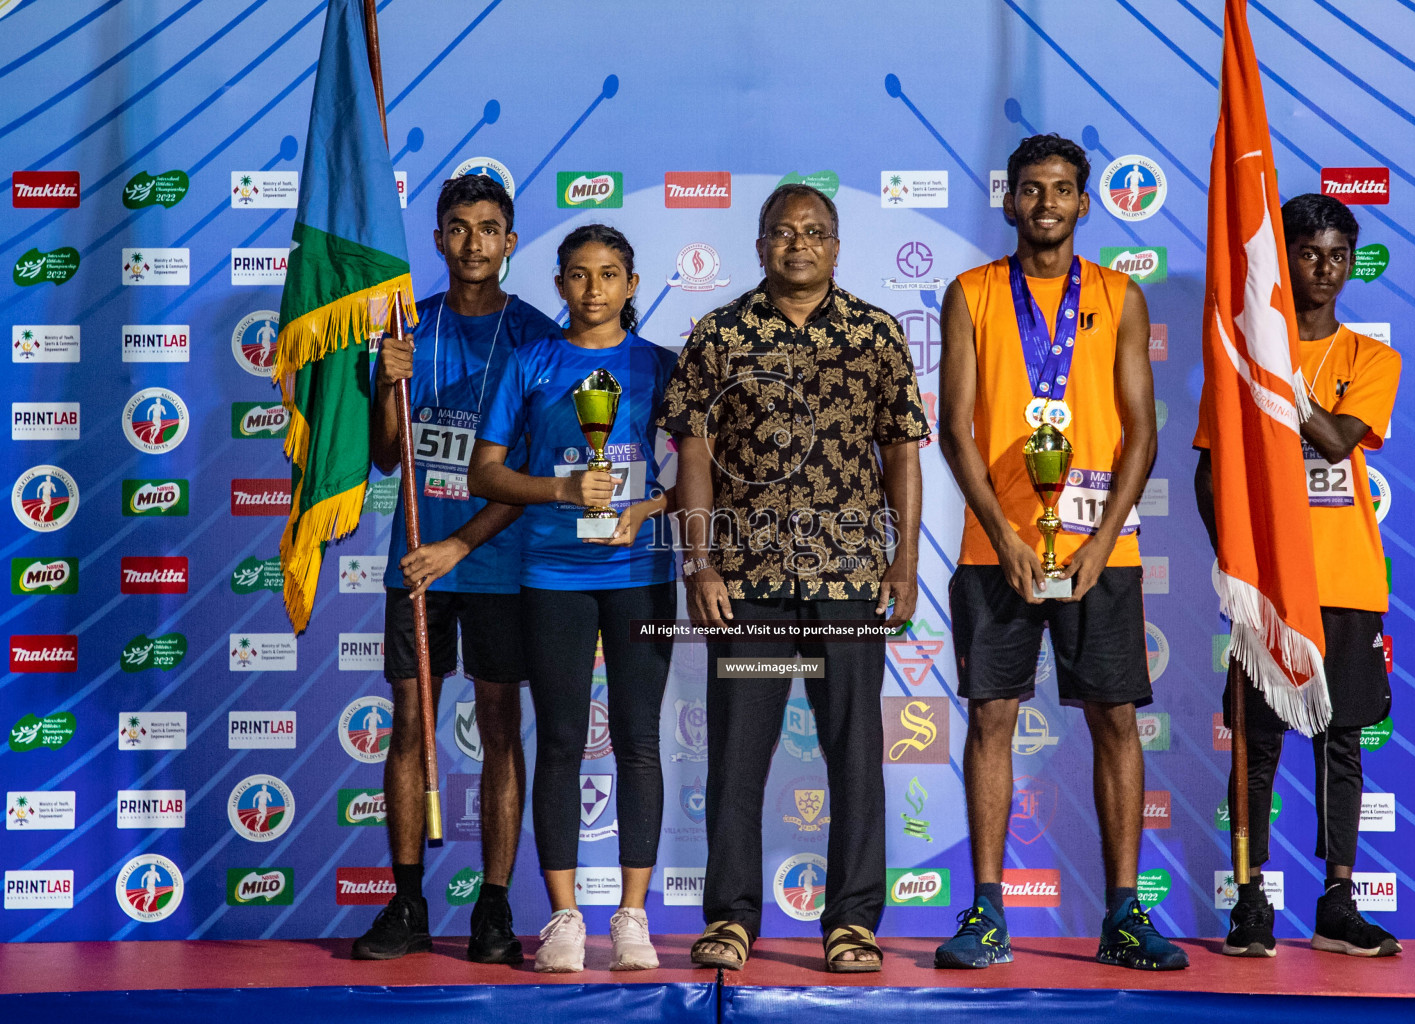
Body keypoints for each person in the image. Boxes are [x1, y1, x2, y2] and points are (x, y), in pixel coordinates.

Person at [658, 183, 929, 973]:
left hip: (848, 580)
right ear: (760, 245)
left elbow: (902, 451)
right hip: (749, 582)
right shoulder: (720, 333)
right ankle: (732, 918)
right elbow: (695, 455)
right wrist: (699, 561)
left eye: (814, 232)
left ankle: (851, 923)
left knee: (854, 753)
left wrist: (905, 560)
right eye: (782, 232)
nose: (798, 244)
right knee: (739, 754)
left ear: (837, 247)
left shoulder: (874, 334)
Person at [936, 134, 1184, 971]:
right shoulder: (970, 293)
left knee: (1116, 721)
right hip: (991, 546)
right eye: (1033, 189)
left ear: (1085, 202)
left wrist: (1103, 541)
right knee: (991, 719)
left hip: (1099, 551)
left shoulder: (1121, 295)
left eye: (1064, 189)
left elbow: (1143, 434)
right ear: (1011, 202)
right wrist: (1006, 537)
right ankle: (986, 913)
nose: (1047, 203)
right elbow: (956, 429)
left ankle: (1123, 913)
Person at [352, 173, 560, 964]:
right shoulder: (408, 330)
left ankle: (495, 912)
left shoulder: (538, 339)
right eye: (458, 227)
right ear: (438, 239)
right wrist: (387, 385)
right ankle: (406, 904)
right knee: (409, 727)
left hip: (499, 568)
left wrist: (460, 546)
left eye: (489, 227)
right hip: (418, 566)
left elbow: (532, 476)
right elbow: (382, 455)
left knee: (501, 732)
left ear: (510, 240)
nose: (473, 242)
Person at [1194, 193, 1402, 959]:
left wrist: (1280, 379)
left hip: (1345, 579)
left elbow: (1341, 442)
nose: (1325, 268)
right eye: (1309, 253)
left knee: (1341, 743)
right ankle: (1251, 900)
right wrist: (1237, 562)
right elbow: (1210, 474)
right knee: (1258, 745)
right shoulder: (1236, 362)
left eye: (1338, 254)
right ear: (1283, 261)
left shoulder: (1369, 359)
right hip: (1269, 589)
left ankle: (1337, 903)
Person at [468, 224, 678, 973]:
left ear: (632, 284)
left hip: (639, 574)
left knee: (639, 742)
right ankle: (564, 917)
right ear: (558, 284)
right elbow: (484, 474)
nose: (594, 289)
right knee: (557, 741)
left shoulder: (662, 368)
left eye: (610, 274)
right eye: (579, 275)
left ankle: (631, 916)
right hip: (552, 574)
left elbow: (697, 478)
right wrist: (560, 488)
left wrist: (644, 510)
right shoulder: (532, 362)